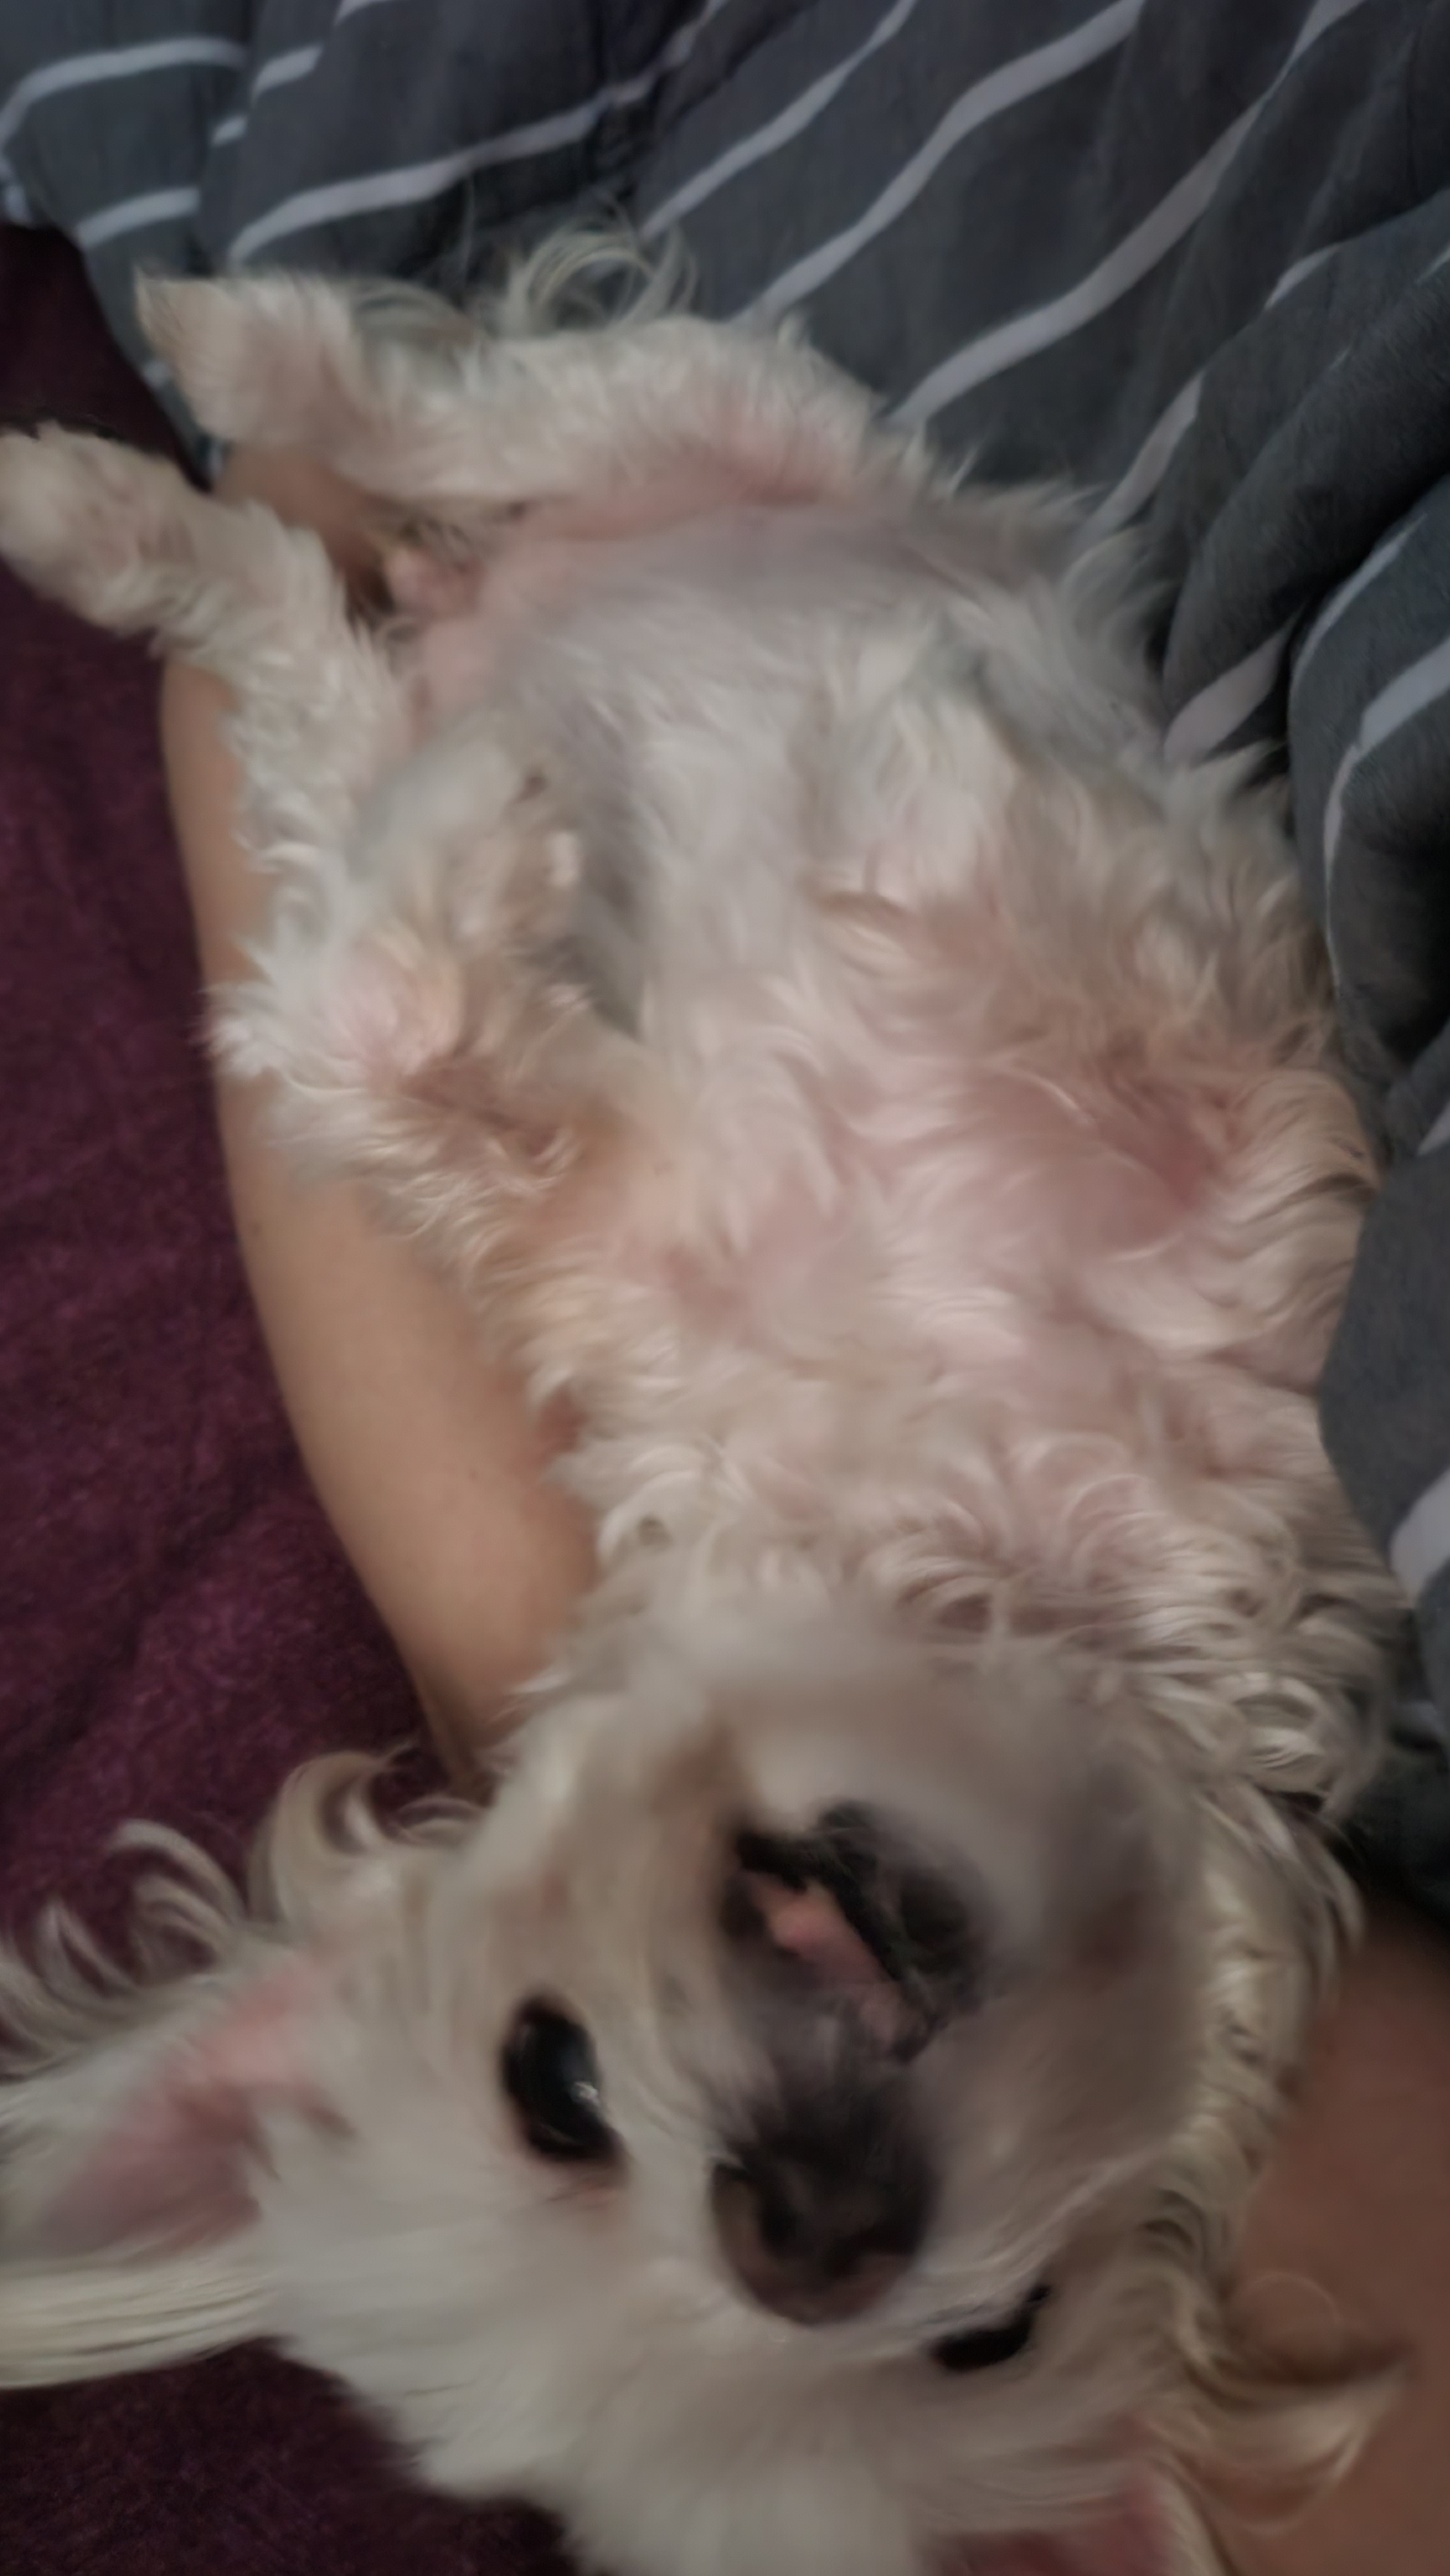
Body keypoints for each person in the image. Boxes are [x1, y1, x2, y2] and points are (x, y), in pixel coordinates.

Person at [5, 3, 1450, 2566]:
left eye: (569, 2100)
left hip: (541, 256)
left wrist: (293, 534)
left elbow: (298, 608)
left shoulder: (633, 1604)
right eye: (951, 2332)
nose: (793, 2228)